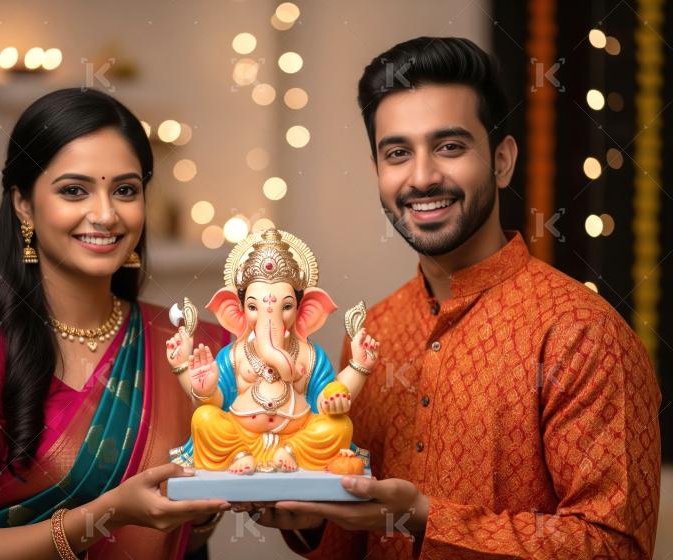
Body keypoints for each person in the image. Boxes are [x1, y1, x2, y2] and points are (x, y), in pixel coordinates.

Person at [256, 37, 662, 559]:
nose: (422, 177)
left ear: (502, 161)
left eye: (449, 147)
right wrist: (312, 520)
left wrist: (424, 518)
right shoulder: (372, 333)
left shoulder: (582, 334)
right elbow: (353, 541)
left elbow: (614, 547)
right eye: (397, 153)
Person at [0, 88, 231, 559]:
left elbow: (183, 540)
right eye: (73, 190)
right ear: (23, 204)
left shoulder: (194, 344)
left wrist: (201, 514)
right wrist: (104, 515)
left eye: (125, 190)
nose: (105, 215)